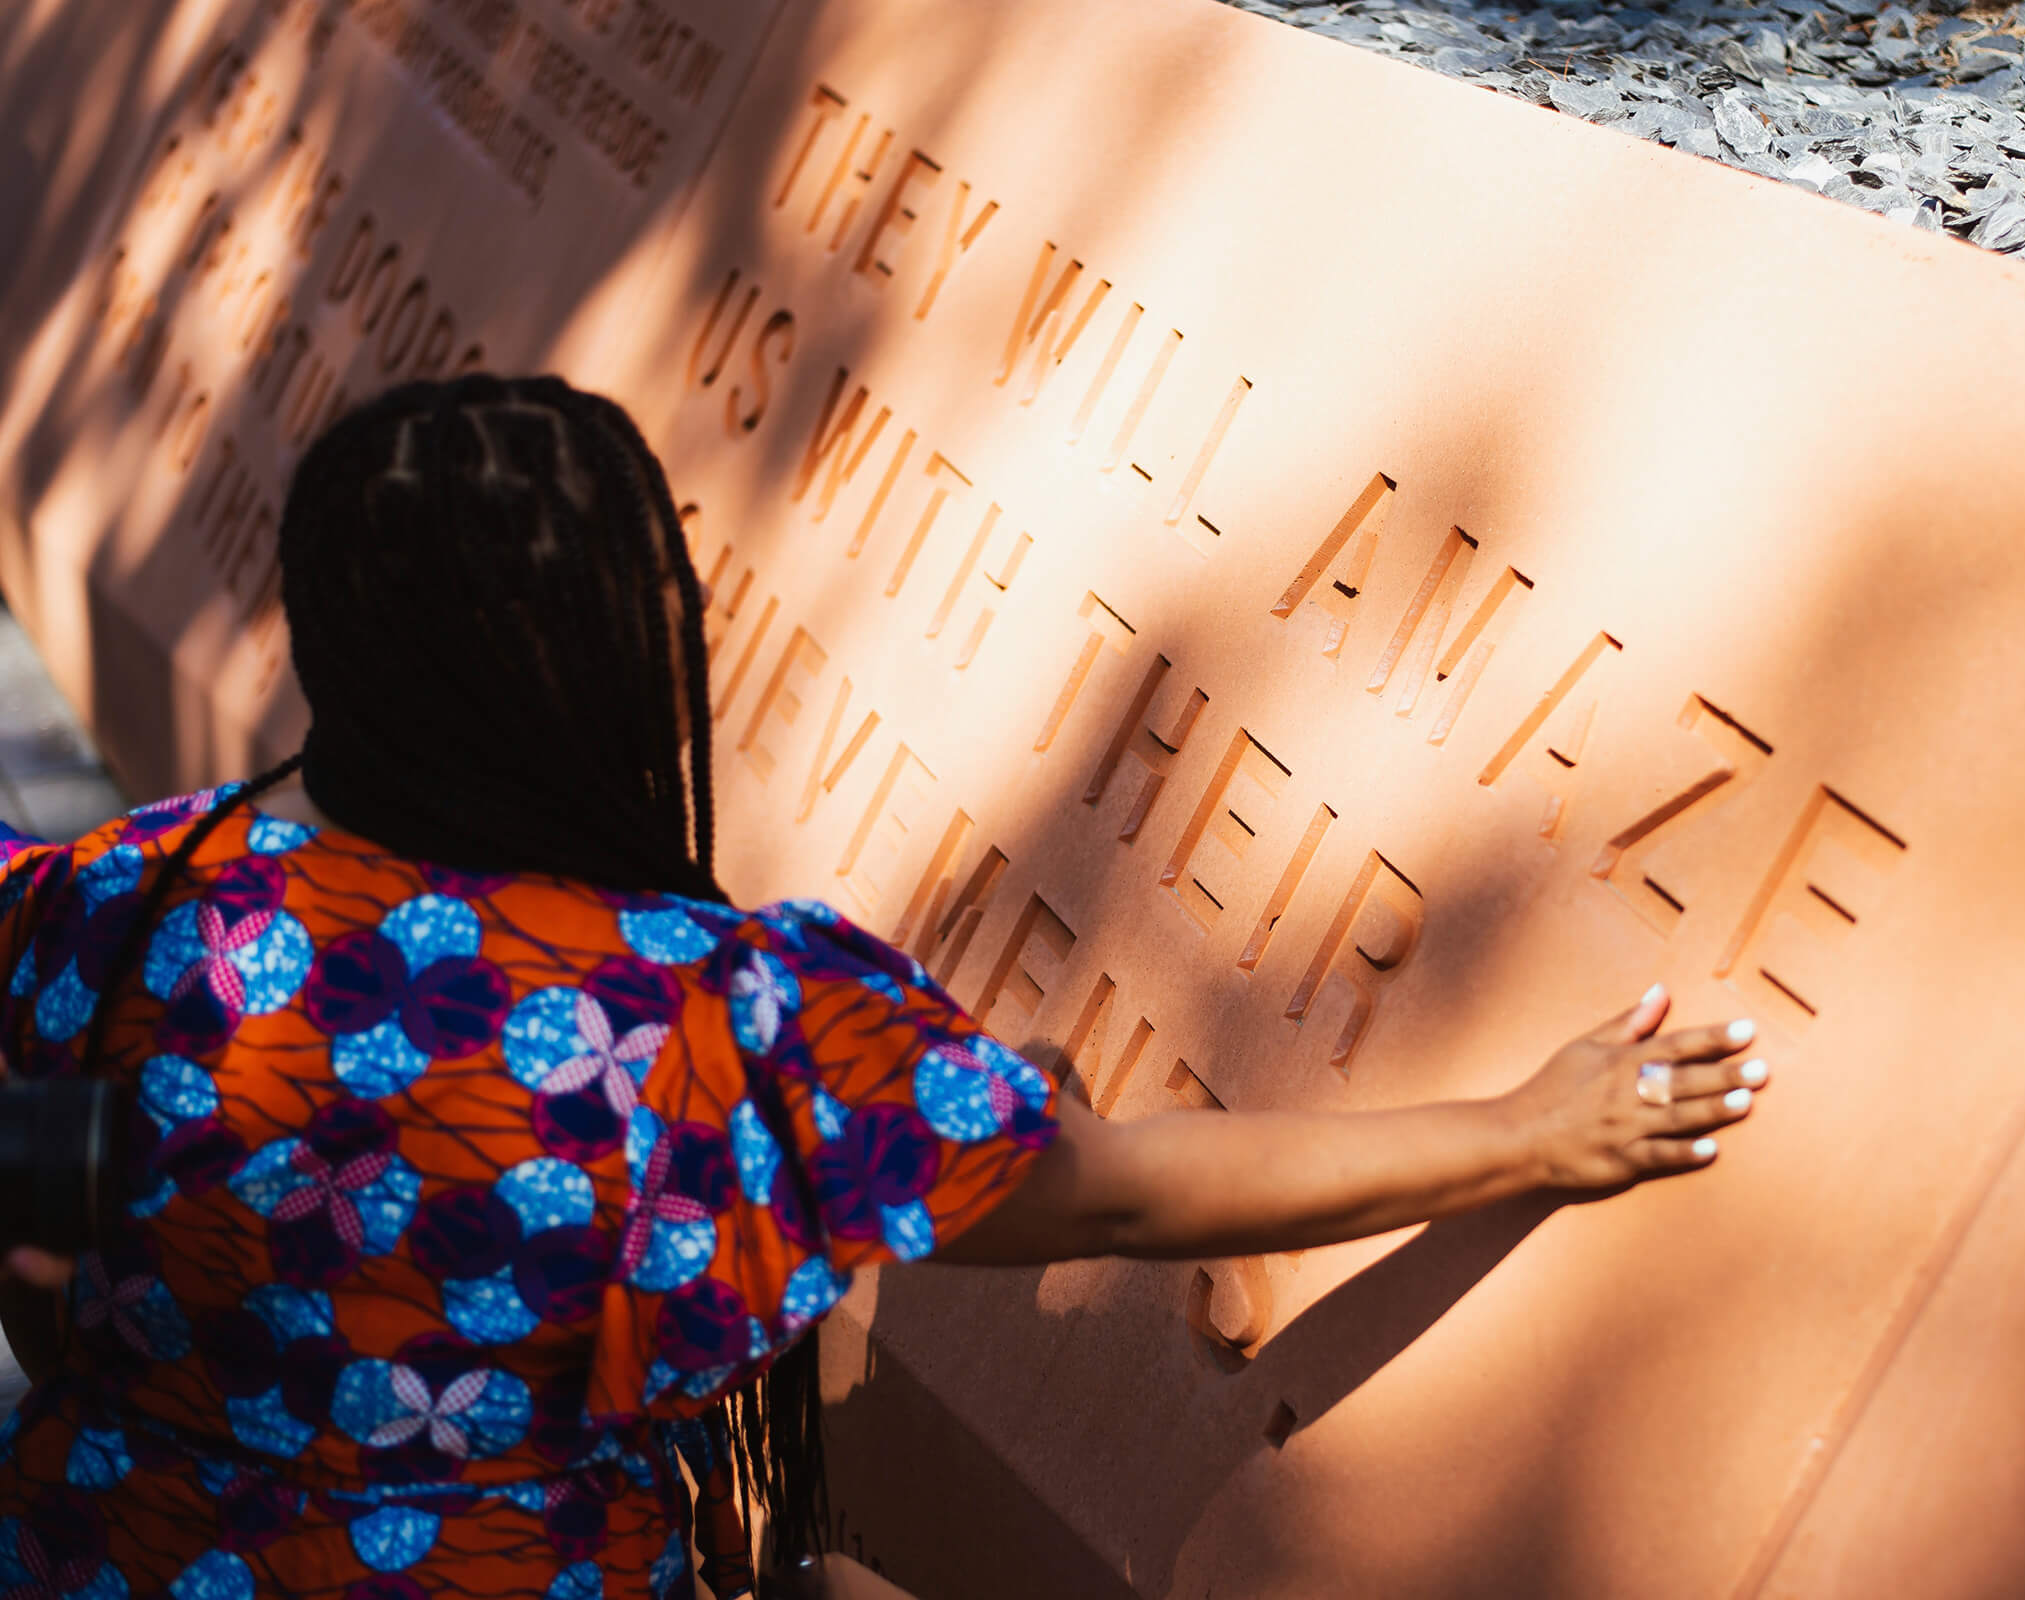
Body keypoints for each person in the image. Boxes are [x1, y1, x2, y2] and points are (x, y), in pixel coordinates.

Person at [0, 375, 1767, 1598]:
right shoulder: (710, 1016)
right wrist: (1532, 1131)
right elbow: (1130, 1192)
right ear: (619, 643)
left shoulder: (125, 896)